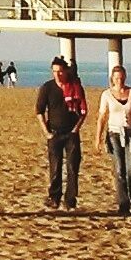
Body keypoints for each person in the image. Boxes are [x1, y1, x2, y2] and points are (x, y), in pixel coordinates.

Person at [36, 57, 86, 210]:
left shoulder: (75, 87)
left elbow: (83, 110)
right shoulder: (47, 88)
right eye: (54, 71)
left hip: (71, 133)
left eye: (60, 71)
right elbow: (39, 111)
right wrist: (46, 132)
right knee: (55, 167)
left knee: (72, 167)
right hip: (54, 133)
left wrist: (76, 129)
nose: (57, 74)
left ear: (66, 71)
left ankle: (70, 200)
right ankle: (54, 197)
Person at [101, 60, 131, 215]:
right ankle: (123, 203)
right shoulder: (106, 95)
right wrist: (98, 137)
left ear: (125, 77)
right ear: (112, 79)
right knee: (120, 169)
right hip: (114, 134)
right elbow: (102, 117)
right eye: (116, 78)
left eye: (121, 78)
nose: (119, 80)